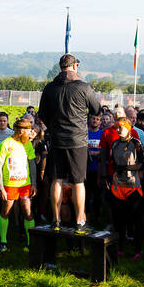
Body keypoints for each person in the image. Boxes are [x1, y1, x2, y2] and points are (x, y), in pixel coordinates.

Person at [37, 54, 101, 231]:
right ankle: (80, 221)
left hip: (57, 140)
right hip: (77, 140)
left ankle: (56, 220)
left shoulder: (50, 88)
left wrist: (53, 126)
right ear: (75, 66)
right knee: (78, 182)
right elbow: (96, 110)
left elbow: (41, 114)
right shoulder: (84, 87)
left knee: (56, 180)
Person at [104, 118, 144, 257]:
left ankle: (138, 250)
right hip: (118, 186)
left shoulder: (135, 143)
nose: (118, 130)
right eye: (116, 127)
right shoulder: (115, 144)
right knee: (119, 221)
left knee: (136, 221)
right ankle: (120, 248)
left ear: (128, 128)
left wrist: (127, 167)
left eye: (121, 127)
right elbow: (111, 163)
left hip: (133, 186)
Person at [0, 118, 37, 252]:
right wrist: (1, 187)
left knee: (28, 212)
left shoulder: (28, 144)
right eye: (27, 130)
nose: (30, 132)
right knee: (6, 211)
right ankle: (3, 241)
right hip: (10, 184)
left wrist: (34, 183)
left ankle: (31, 243)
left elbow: (32, 164)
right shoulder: (6, 143)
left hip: (25, 184)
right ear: (20, 130)